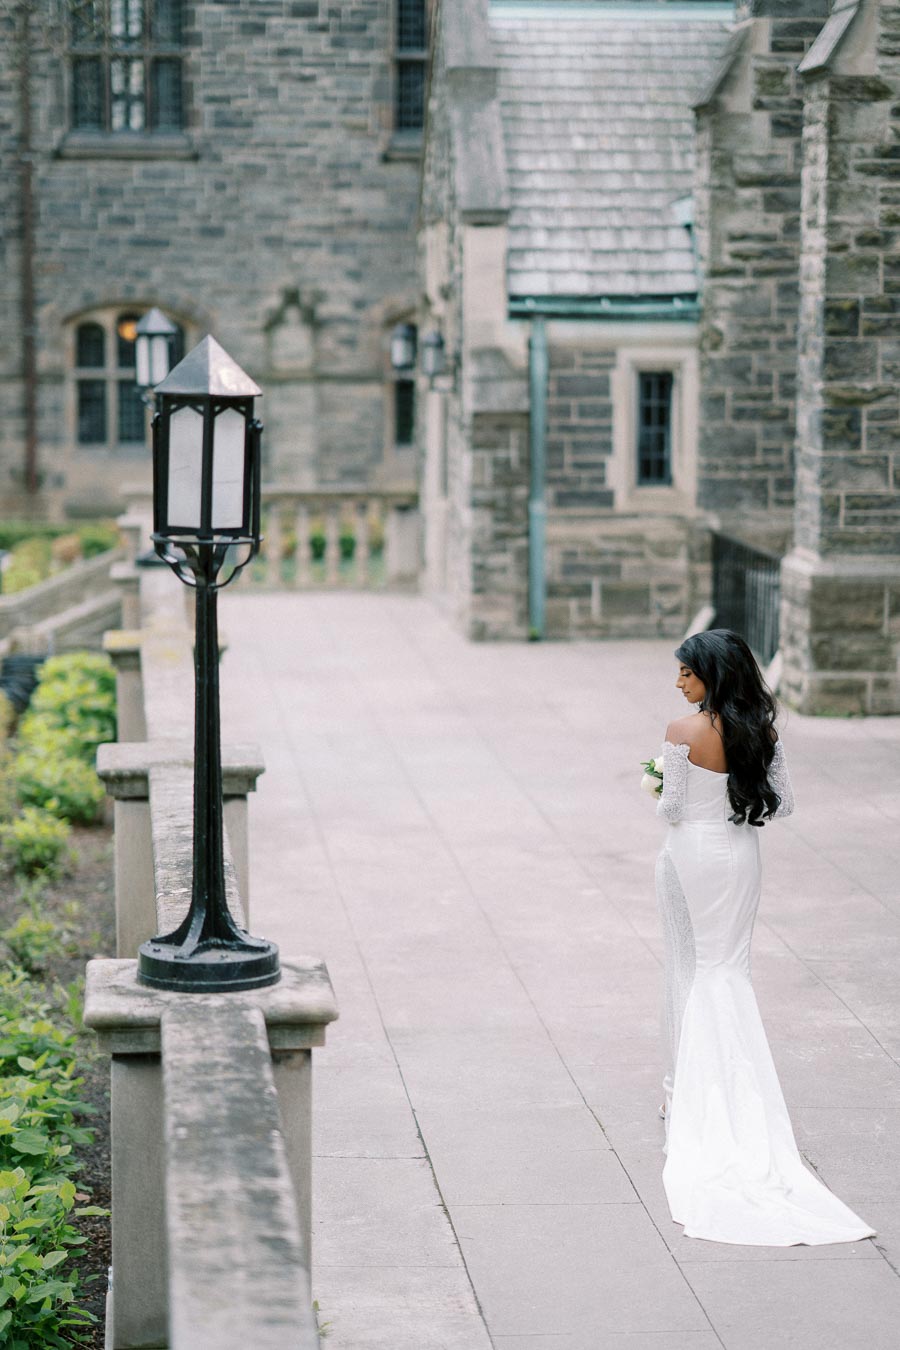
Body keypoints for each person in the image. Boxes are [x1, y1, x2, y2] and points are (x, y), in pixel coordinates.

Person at [654, 629, 875, 1246]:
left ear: (711, 677)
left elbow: (670, 809)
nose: (678, 685)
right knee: (728, 971)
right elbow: (782, 807)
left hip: (689, 858)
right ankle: (727, 1091)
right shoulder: (763, 734)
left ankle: (688, 1096)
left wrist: (657, 783)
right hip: (740, 856)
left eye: (686, 675)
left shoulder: (681, 733)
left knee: (689, 970)